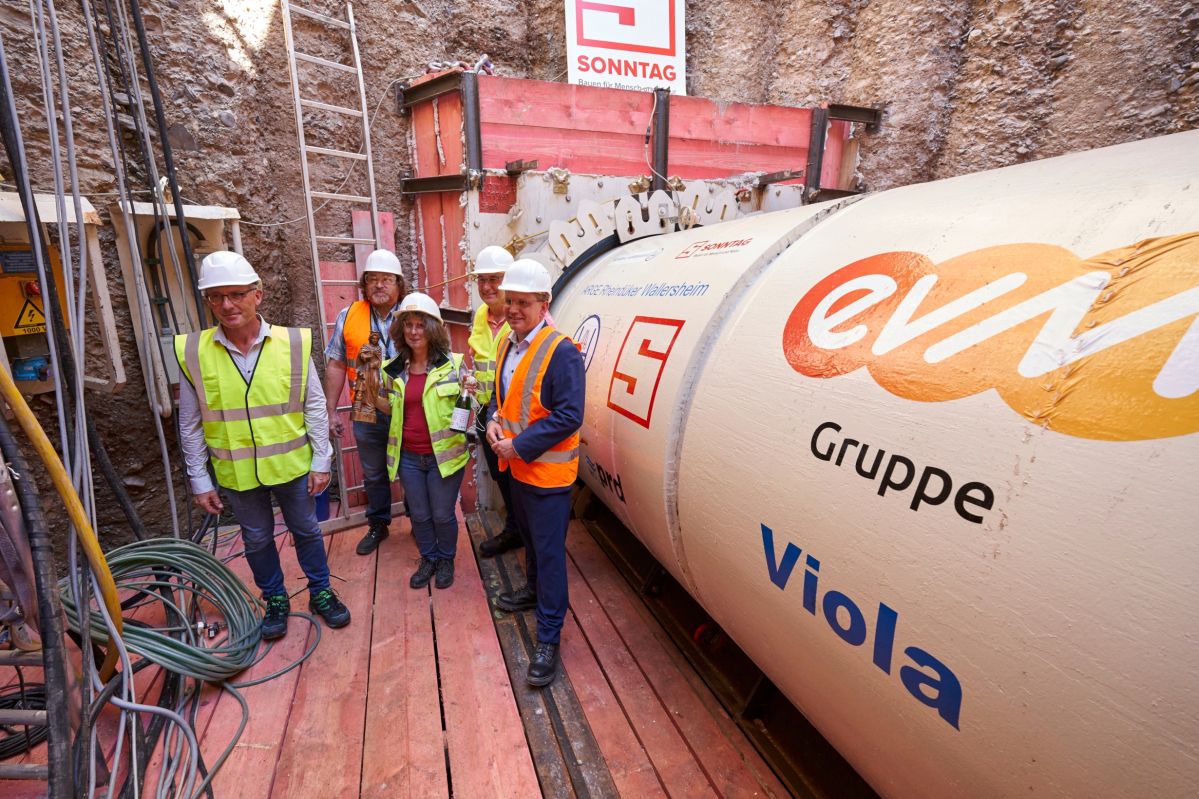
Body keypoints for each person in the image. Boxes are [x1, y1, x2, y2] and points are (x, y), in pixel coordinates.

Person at [175, 251, 350, 640]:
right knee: (255, 538)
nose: (226, 305)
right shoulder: (194, 351)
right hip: (236, 471)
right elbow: (189, 424)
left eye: (236, 294)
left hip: (291, 465)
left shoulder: (291, 343)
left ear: (258, 295)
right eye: (216, 297)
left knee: (306, 529)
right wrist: (200, 480)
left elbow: (315, 405)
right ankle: (275, 598)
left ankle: (320, 590)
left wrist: (322, 459)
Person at [486, 260, 585, 687]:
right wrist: (492, 418)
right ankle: (531, 592)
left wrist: (519, 445)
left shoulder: (562, 350)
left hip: (546, 479)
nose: (513, 309)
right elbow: (505, 398)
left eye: (522, 303)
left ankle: (549, 638)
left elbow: (569, 415)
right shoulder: (509, 345)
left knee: (549, 556)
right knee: (529, 542)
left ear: (544, 303)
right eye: (510, 301)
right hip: (516, 470)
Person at [379, 293, 471, 590]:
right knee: (418, 514)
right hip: (408, 457)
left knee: (443, 514)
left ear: (433, 329)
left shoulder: (454, 365)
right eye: (409, 325)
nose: (414, 331)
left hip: (444, 456)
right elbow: (388, 408)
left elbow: (473, 406)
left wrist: (474, 389)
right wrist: (368, 390)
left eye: (421, 325)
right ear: (401, 330)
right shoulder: (390, 370)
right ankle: (428, 558)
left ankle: (446, 559)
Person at [323, 249, 407, 556]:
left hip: (407, 407)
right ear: (364, 284)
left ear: (399, 284)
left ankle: (419, 520)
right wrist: (331, 411)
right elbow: (335, 364)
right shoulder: (348, 316)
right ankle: (378, 524)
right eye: (373, 279)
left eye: (386, 279)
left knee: (411, 467)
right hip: (366, 404)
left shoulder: (413, 313)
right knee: (373, 472)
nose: (379, 285)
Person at [466, 245, 525, 558]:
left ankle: (524, 532)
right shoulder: (480, 315)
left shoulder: (521, 319)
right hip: (485, 410)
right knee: (501, 476)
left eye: (495, 279)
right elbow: (483, 359)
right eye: (482, 279)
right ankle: (515, 530)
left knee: (519, 478)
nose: (487, 287)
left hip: (511, 414)